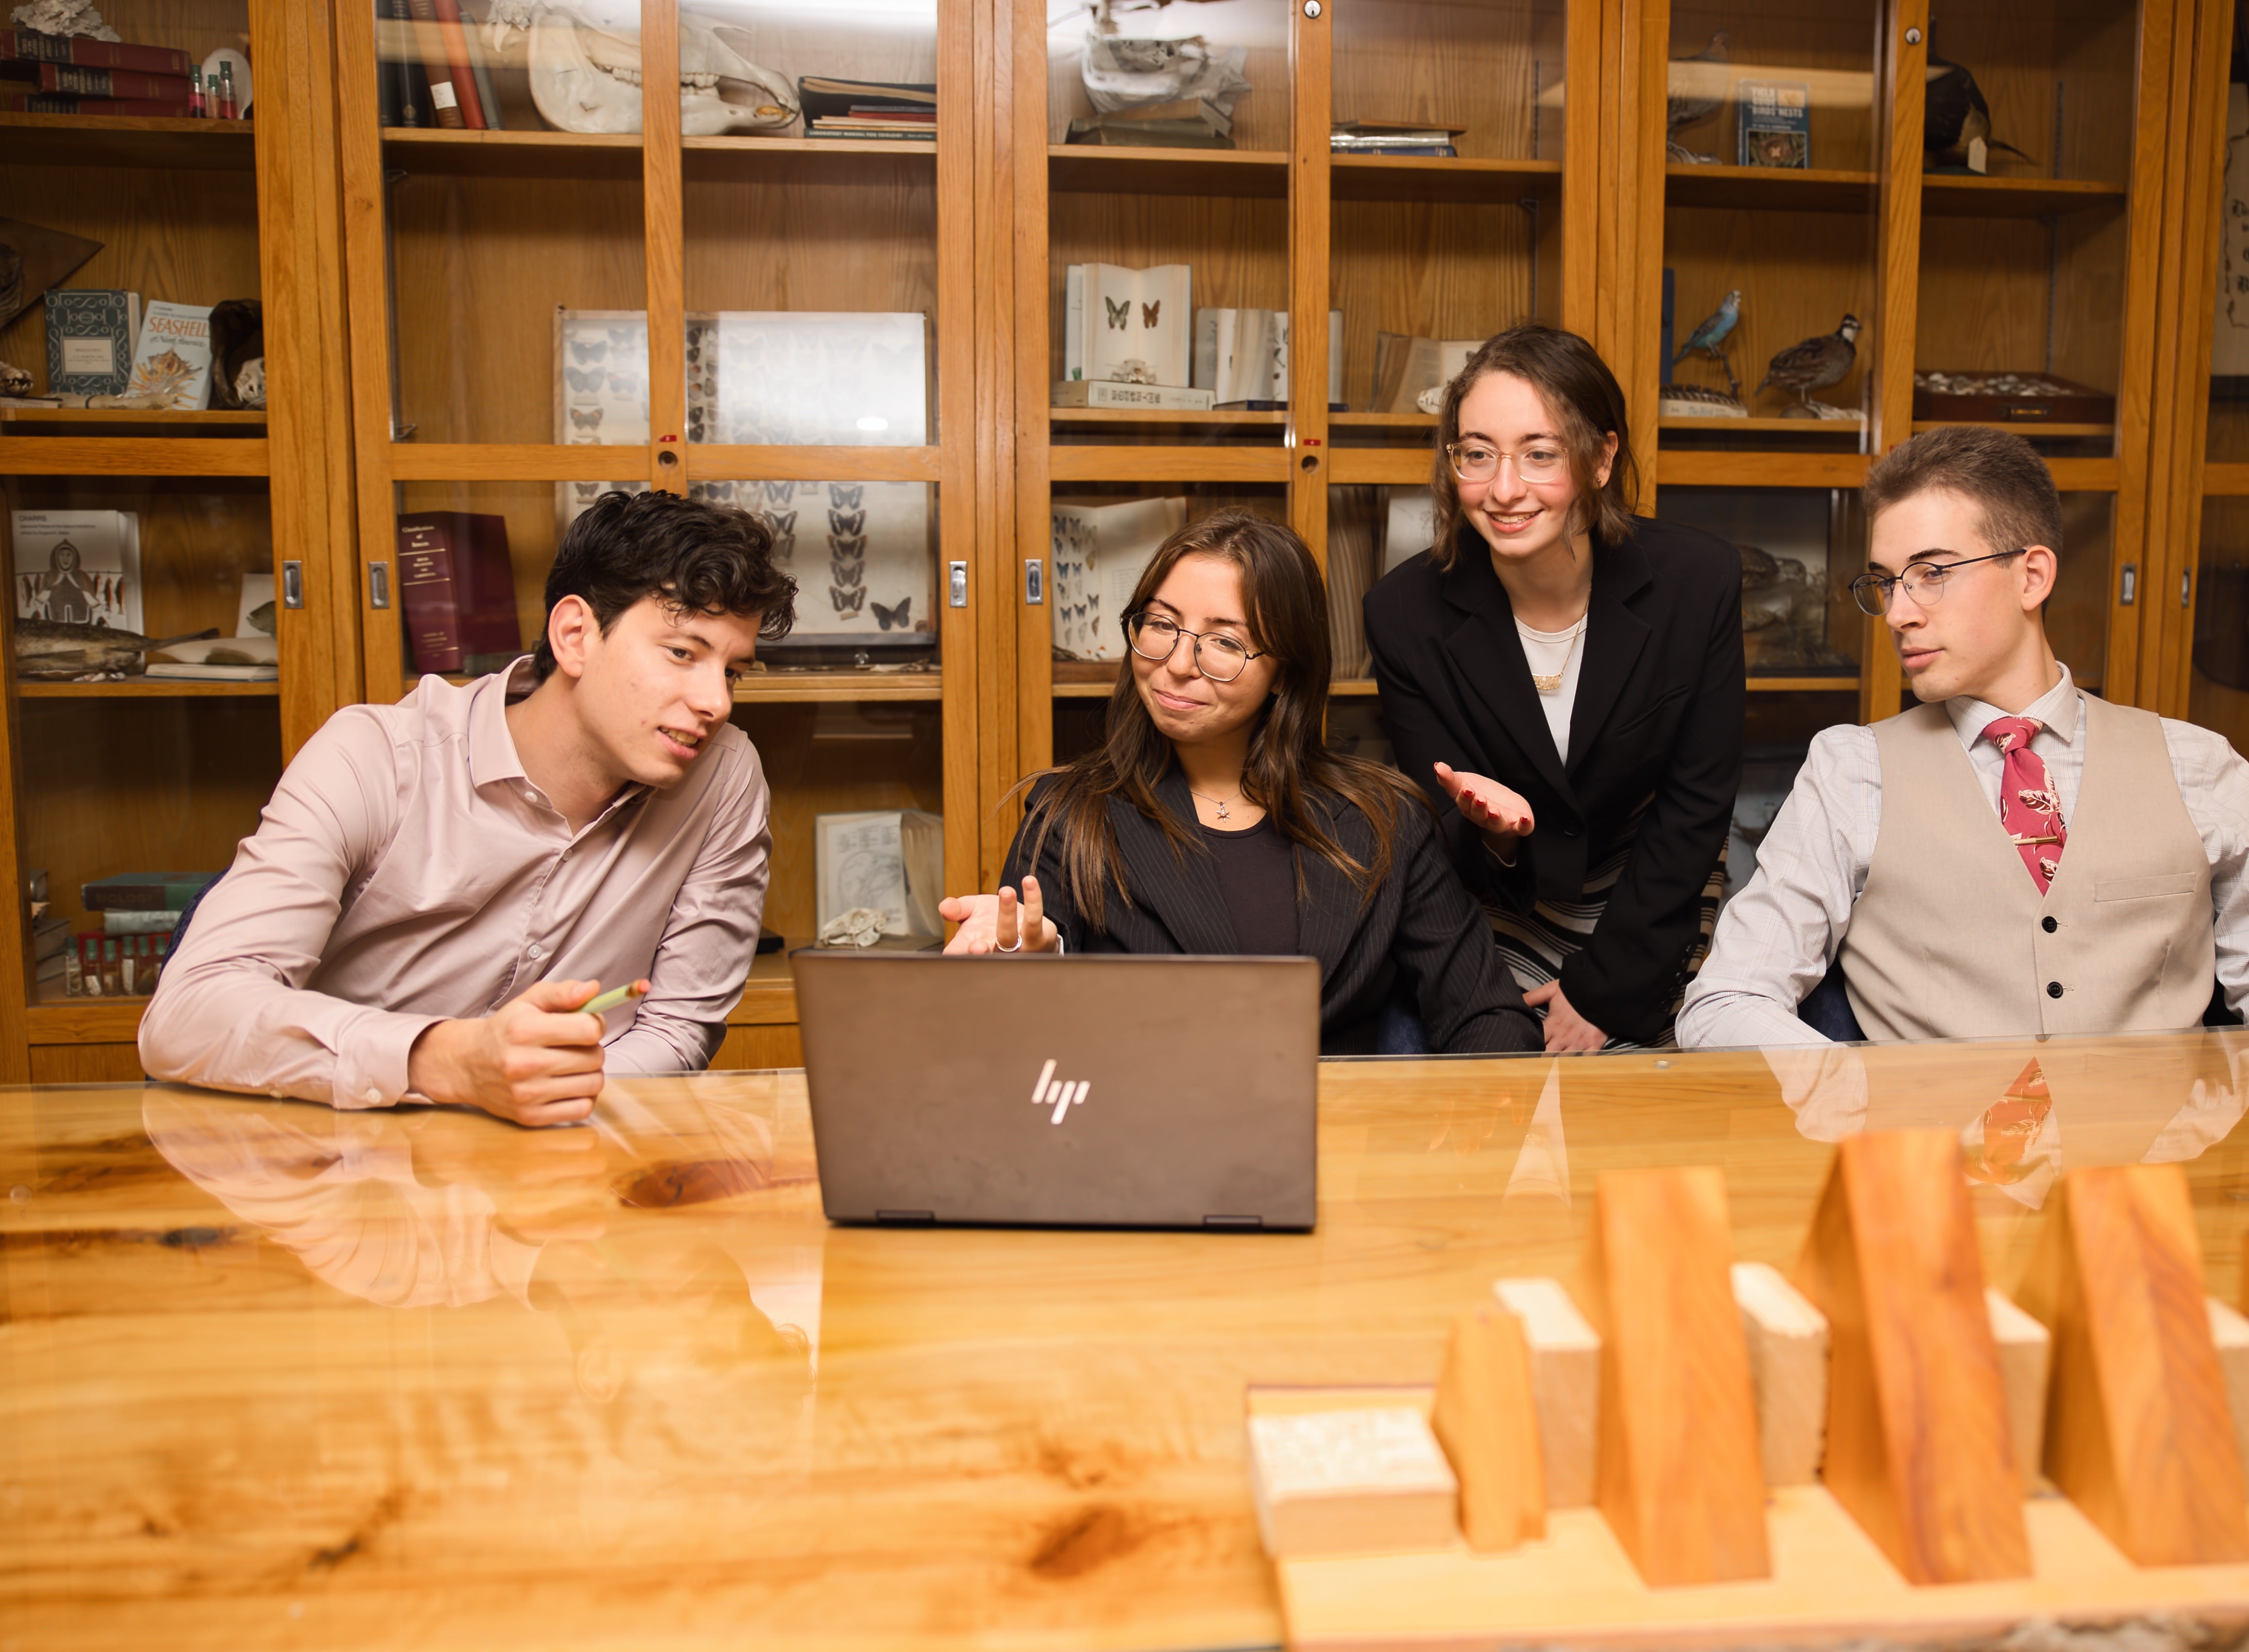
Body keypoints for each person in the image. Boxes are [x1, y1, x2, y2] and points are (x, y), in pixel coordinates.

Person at [1676, 424, 2249, 1049]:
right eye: (1885, 583)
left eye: (1931, 574)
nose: (1897, 613)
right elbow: (1725, 999)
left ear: (2031, 575)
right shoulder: (1850, 770)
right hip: (1927, 1173)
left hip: (2151, 1176)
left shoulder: (2199, 767)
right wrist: (1866, 1102)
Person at [138, 489, 801, 1123]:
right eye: (682, 654)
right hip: (339, 1164)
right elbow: (187, 1017)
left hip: (567, 1176)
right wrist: (446, 1061)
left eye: (732, 671)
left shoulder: (721, 777)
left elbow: (677, 1029)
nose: (716, 702)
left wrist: (543, 1107)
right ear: (574, 634)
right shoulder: (375, 756)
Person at [939, 508, 1541, 1055]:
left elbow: (1487, 1016)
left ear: (1285, 672)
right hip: (1146, 1153)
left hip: (1341, 1152)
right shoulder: (1069, 814)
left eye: (1225, 642)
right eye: (1160, 624)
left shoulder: (1385, 819)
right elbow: (1013, 1038)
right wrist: (1037, 958)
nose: (1176, 662)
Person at [1363, 325, 1745, 1051]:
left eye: (1540, 455)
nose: (1503, 490)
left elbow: (1696, 806)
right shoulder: (1401, 612)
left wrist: (1603, 989)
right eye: (1476, 454)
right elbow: (1436, 834)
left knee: (1646, 1107)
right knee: (1500, 1091)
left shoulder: (1697, 582)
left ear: (1601, 458)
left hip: (1651, 891)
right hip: (1497, 898)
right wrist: (1497, 839)